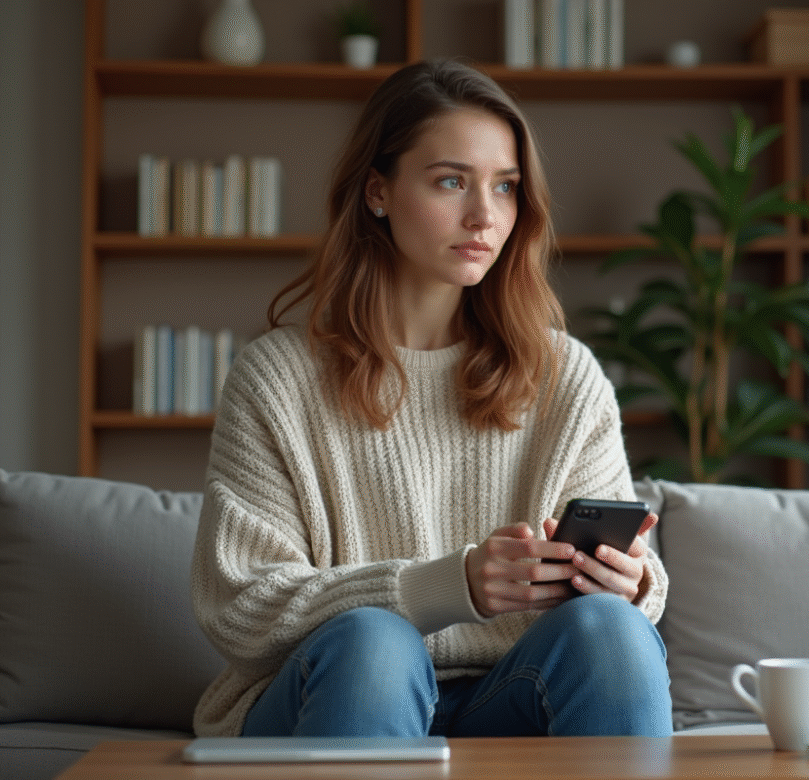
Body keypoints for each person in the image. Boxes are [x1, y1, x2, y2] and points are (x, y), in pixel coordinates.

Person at [189, 59, 672, 740]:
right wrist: (450, 586)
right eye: (451, 181)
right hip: (336, 687)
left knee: (611, 631)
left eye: (505, 188)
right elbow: (240, 607)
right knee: (375, 644)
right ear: (377, 192)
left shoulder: (566, 375)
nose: (485, 216)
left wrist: (628, 583)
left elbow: (637, 596)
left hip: (512, 694)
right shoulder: (278, 378)